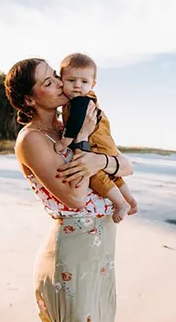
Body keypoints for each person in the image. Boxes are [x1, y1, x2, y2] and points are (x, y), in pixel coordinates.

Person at [5, 58, 135, 322]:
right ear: (29, 100)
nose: (60, 84)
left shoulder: (67, 126)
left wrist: (101, 161)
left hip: (101, 252)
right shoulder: (31, 139)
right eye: (48, 82)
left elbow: (127, 166)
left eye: (56, 76)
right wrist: (82, 139)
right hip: (72, 255)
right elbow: (75, 198)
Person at [58, 53, 139, 223]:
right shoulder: (79, 100)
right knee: (112, 175)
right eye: (71, 80)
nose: (77, 86)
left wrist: (64, 142)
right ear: (62, 80)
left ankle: (121, 203)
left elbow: (75, 123)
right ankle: (129, 198)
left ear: (93, 84)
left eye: (84, 82)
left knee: (93, 173)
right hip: (105, 143)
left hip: (96, 143)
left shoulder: (80, 101)